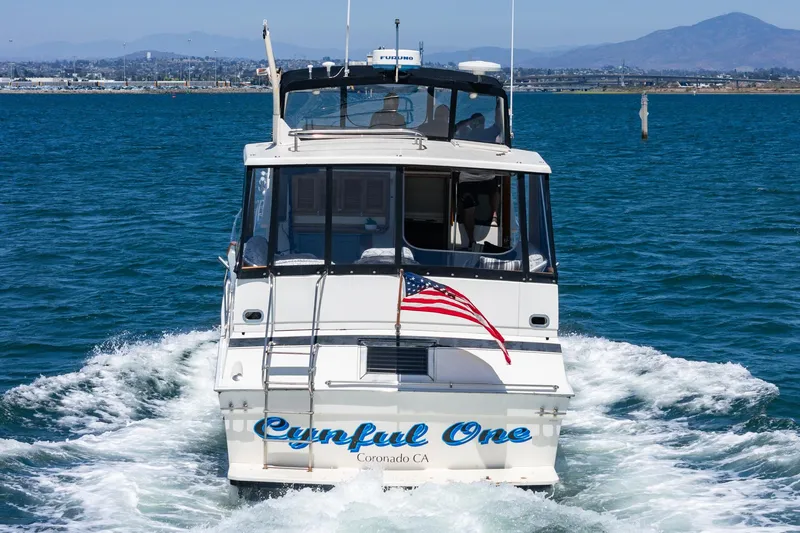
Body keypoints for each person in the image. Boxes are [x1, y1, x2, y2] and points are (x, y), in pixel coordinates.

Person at [457, 170, 500, 250]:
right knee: (469, 206)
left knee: (494, 190)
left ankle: (494, 216)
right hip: (468, 179)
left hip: (485, 177)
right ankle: (471, 240)